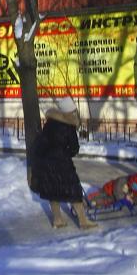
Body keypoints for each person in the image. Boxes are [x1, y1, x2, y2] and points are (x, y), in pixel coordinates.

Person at [30, 97, 97, 229]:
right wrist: (66, 154)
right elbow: (74, 148)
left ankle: (58, 220)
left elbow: (42, 144)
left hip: (47, 163)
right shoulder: (69, 126)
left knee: (52, 190)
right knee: (74, 190)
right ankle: (83, 221)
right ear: (71, 111)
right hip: (62, 163)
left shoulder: (49, 124)